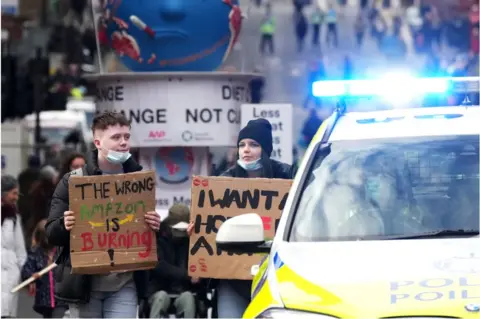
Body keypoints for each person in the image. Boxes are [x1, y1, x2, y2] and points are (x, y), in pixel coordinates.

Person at [45, 111, 161, 318]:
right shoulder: (73, 182)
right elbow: (51, 233)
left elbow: (145, 237)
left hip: (124, 283)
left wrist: (154, 225)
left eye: (126, 136)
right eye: (116, 137)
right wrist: (65, 224)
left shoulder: (139, 182)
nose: (124, 142)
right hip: (85, 286)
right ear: (98, 142)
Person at [188, 119, 295, 318]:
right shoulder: (223, 182)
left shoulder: (288, 176)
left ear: (265, 149)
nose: (246, 150)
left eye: (254, 145)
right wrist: (198, 230)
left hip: (273, 274)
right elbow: (212, 225)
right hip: (233, 280)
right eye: (241, 145)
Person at [147, 204, 200, 318]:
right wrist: (189, 275)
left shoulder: (195, 239)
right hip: (158, 289)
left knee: (188, 298)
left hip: (185, 291)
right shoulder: (155, 236)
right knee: (161, 297)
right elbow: (159, 265)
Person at [22, 220, 68, 318]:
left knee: (58, 315)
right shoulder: (36, 253)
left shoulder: (61, 251)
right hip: (44, 299)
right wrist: (32, 276)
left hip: (60, 299)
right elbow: (27, 269)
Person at [1, 175, 27, 318]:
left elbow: (20, 249)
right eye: (14, 193)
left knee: (8, 314)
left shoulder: (14, 217)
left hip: (11, 278)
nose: (16, 197)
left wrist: (20, 270)